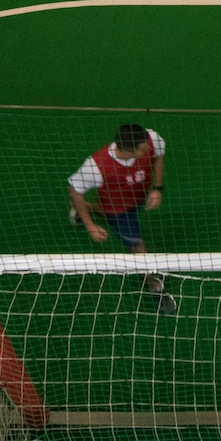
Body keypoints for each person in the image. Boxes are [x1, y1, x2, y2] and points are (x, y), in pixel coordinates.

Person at [68, 123, 176, 314]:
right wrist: (90, 226)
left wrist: (158, 189)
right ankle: (156, 288)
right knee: (138, 249)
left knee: (100, 209)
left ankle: (83, 210)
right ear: (128, 150)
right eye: (143, 148)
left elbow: (158, 156)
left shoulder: (151, 138)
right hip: (117, 210)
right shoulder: (96, 166)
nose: (147, 148)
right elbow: (75, 190)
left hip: (139, 195)